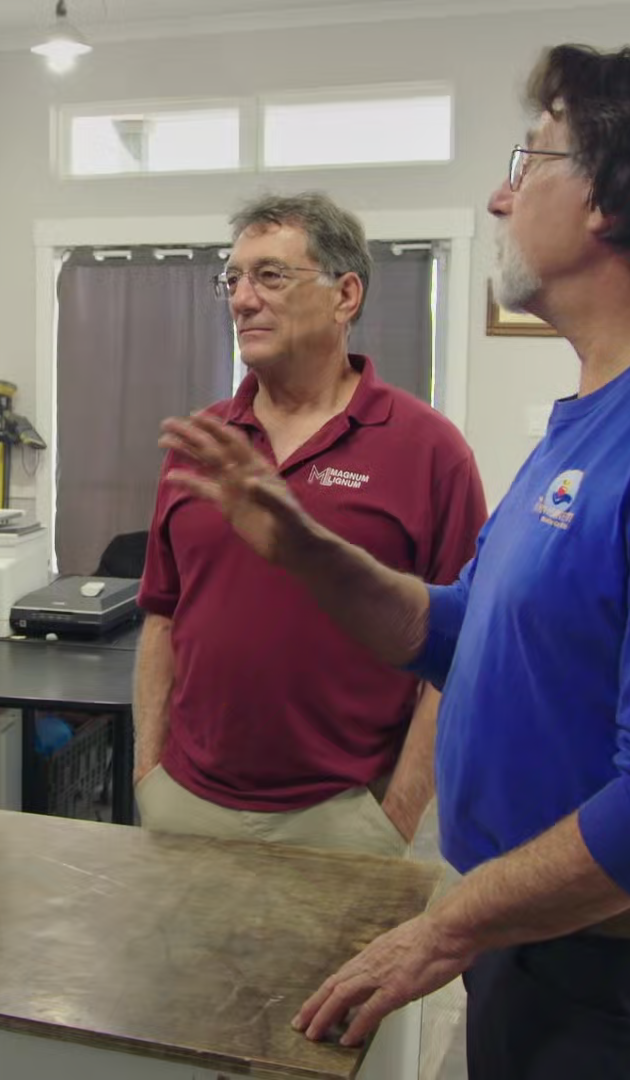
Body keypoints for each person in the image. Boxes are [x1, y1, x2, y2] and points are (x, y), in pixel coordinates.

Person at [162, 45, 630, 1078]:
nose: (498, 196)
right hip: (538, 942)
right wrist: (308, 551)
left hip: (627, 985)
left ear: (614, 196)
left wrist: (443, 926)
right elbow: (464, 633)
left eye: (529, 161)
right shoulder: (603, 406)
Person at [134, 192, 486, 854]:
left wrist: (398, 812)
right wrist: (148, 772)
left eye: (270, 275)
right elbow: (162, 614)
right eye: (233, 279)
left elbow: (469, 650)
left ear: (345, 295)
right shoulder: (203, 443)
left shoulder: (429, 450)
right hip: (184, 803)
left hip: (346, 816)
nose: (242, 300)